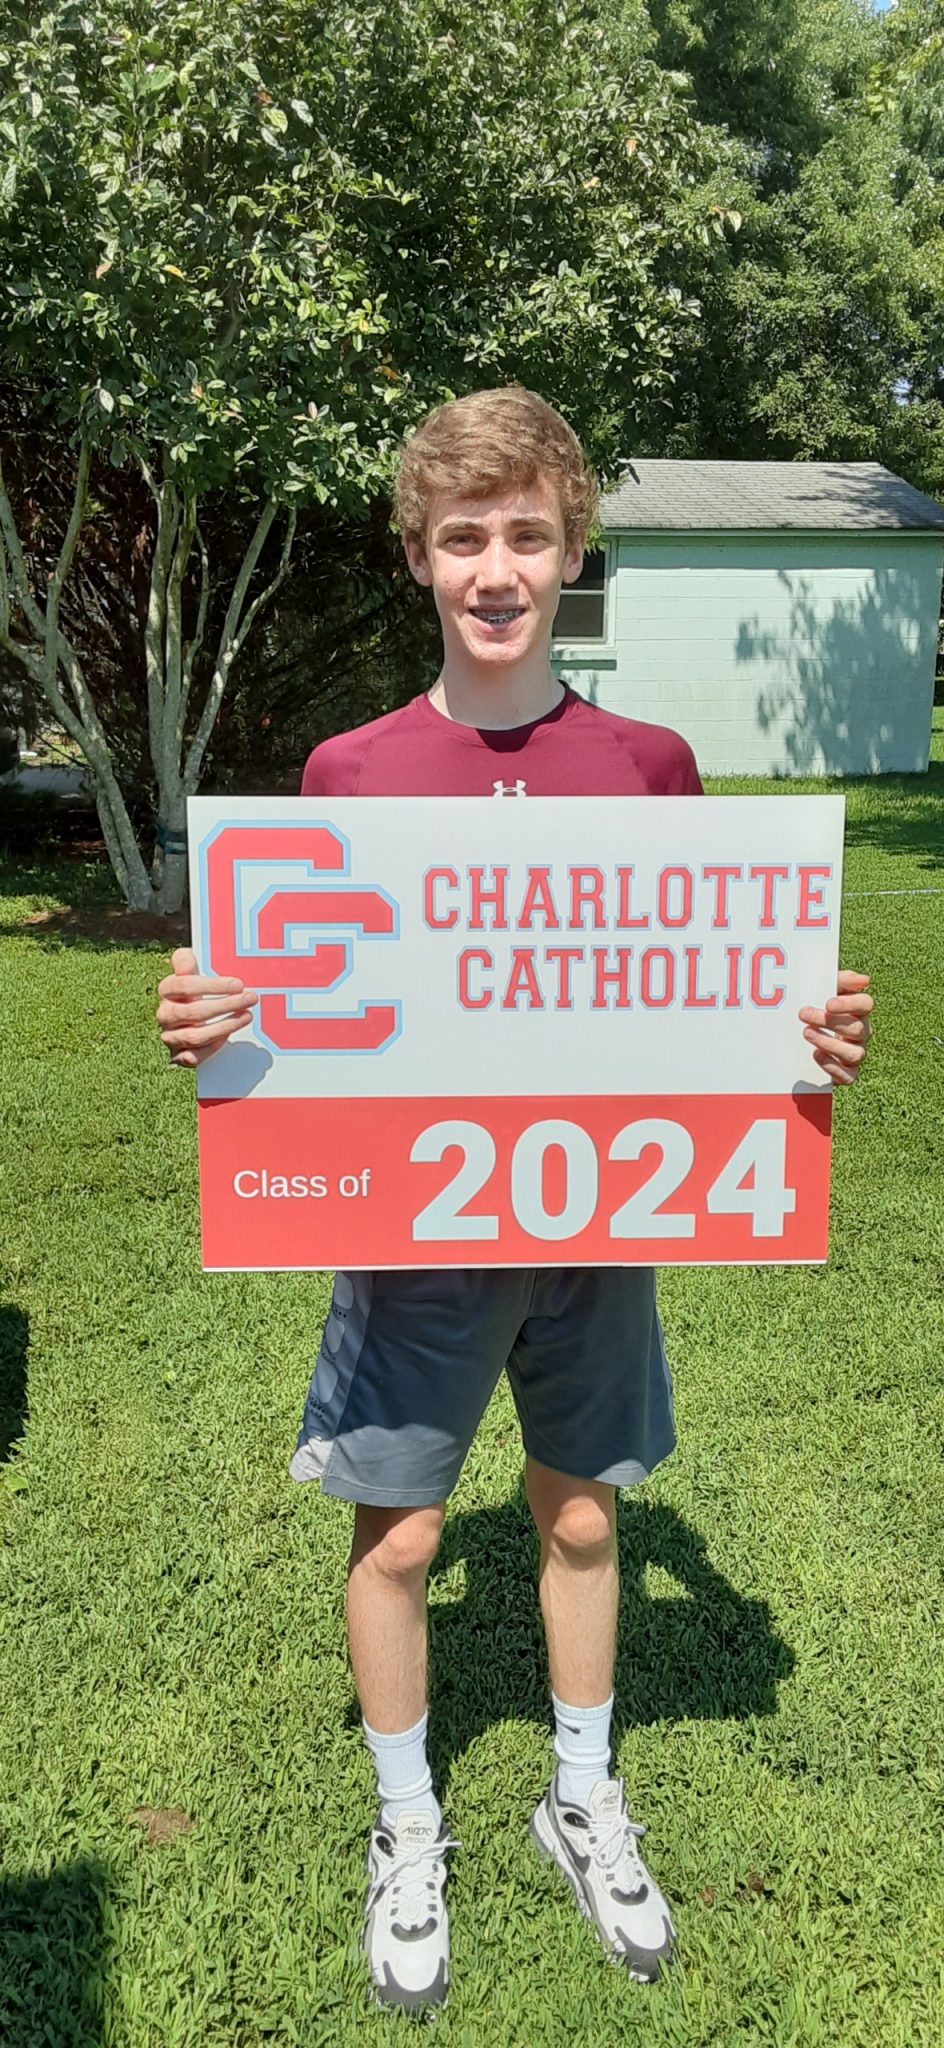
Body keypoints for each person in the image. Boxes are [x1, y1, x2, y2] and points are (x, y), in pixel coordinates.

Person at [156, 387, 873, 2013]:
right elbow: (286, 997)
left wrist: (804, 1036)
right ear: (419, 557)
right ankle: (408, 1821)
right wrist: (211, 1017)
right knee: (404, 1533)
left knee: (582, 1514)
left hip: (600, 1215)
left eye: (529, 536)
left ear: (572, 555)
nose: (497, 568)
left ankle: (581, 1794)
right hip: (416, 1229)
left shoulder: (649, 765)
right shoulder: (348, 771)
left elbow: (712, 990)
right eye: (465, 536)